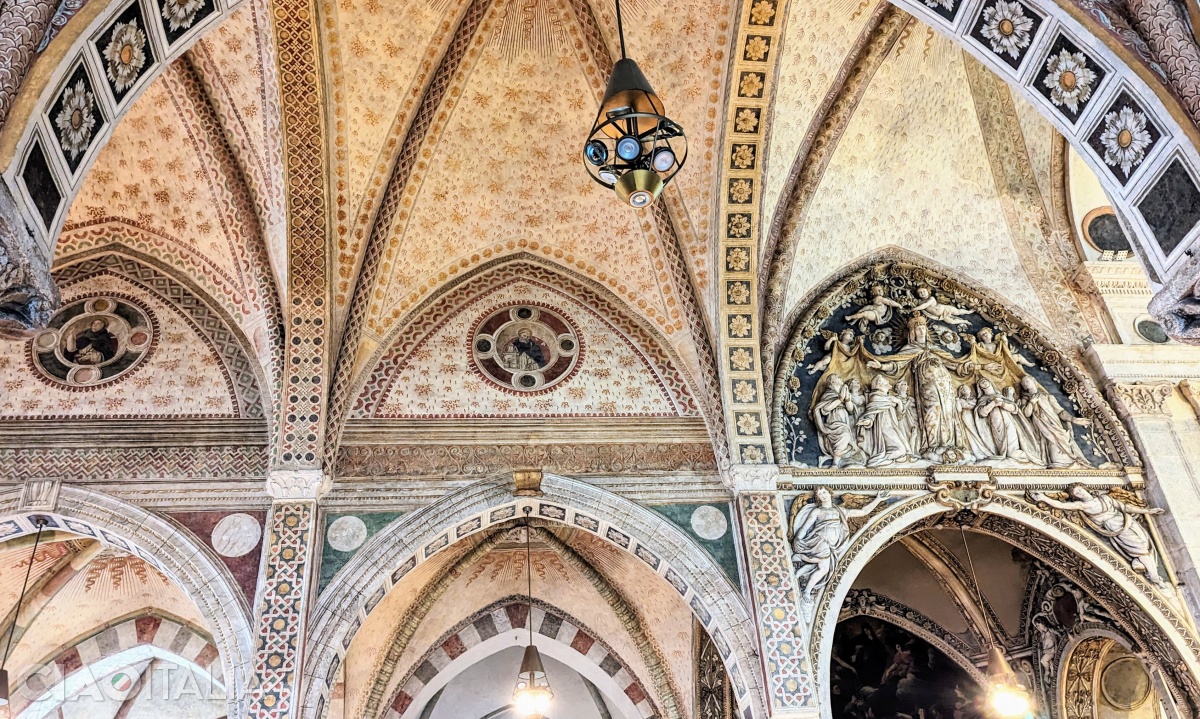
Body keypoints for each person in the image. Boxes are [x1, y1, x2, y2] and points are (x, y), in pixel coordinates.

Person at [1032, 485, 1170, 589]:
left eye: (1080, 489)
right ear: (1076, 497)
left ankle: (1144, 567)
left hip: (1128, 522)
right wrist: (1044, 498)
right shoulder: (1083, 505)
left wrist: (1148, 511)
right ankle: (1154, 577)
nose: (1080, 493)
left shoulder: (1105, 498)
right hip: (1116, 528)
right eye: (1076, 493)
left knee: (1146, 545)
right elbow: (1061, 505)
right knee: (1141, 549)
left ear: (1085, 488)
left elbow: (1126, 507)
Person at [791, 488, 890, 596]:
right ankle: (806, 588)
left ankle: (801, 569)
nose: (823, 495)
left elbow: (863, 512)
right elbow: (805, 527)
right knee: (823, 566)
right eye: (819, 494)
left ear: (830, 493)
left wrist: (878, 499)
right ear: (817, 498)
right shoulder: (817, 511)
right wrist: (797, 539)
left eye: (824, 492)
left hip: (834, 545)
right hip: (820, 540)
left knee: (823, 567)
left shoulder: (840, 511)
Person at [1018, 376, 1091, 468]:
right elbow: (1026, 413)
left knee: (1060, 446)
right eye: (1023, 383)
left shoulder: (1048, 397)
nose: (1025, 383)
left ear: (1034, 381)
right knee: (1052, 452)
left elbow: (1060, 412)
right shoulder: (1025, 399)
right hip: (1042, 429)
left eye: (1027, 381)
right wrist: (1032, 402)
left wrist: (1074, 419)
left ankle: (1068, 464)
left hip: (1054, 426)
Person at [856, 375, 914, 466]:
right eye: (885, 381)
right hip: (884, 427)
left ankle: (889, 458)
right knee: (901, 450)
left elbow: (899, 416)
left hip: (893, 426)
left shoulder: (889, 398)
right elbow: (871, 412)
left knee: (903, 449)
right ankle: (877, 460)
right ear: (880, 384)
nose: (888, 381)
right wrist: (868, 421)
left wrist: (899, 402)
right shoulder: (876, 397)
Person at [812, 375, 865, 468]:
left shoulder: (844, 393)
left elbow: (851, 410)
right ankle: (835, 463)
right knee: (844, 435)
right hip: (834, 422)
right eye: (837, 377)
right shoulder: (828, 394)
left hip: (844, 422)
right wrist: (840, 399)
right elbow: (825, 409)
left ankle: (833, 459)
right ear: (832, 382)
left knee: (848, 440)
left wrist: (847, 398)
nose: (840, 378)